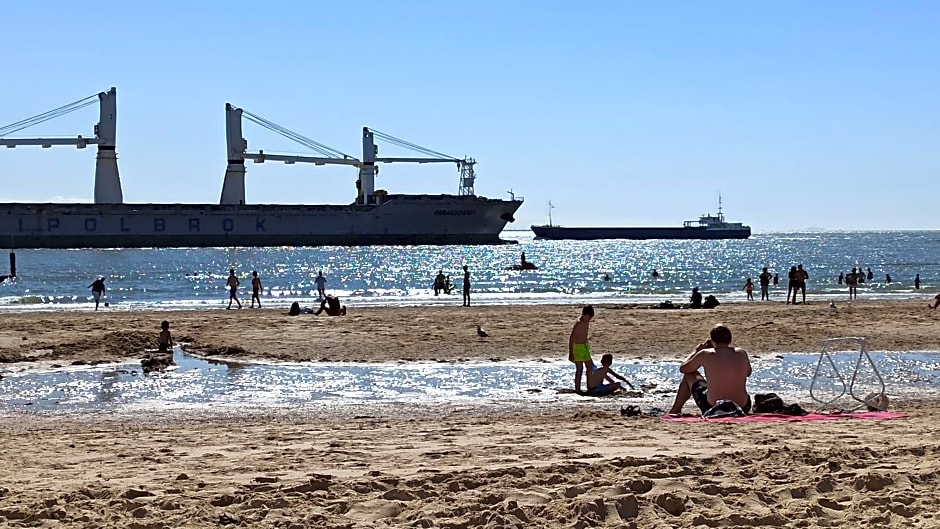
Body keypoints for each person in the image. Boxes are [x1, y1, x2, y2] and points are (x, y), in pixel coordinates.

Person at [667, 324, 752, 416]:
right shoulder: (741, 352)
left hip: (713, 406)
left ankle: (675, 409)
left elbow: (684, 369)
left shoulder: (705, 354)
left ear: (712, 341)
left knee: (690, 375)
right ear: (730, 340)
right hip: (743, 406)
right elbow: (748, 372)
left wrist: (696, 352)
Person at [568, 305, 595, 394]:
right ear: (584, 314)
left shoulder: (586, 323)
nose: (589, 319)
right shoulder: (578, 324)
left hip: (585, 347)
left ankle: (590, 386)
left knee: (589, 367)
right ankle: (577, 389)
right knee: (579, 369)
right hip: (577, 348)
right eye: (588, 317)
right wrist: (571, 352)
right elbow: (572, 338)